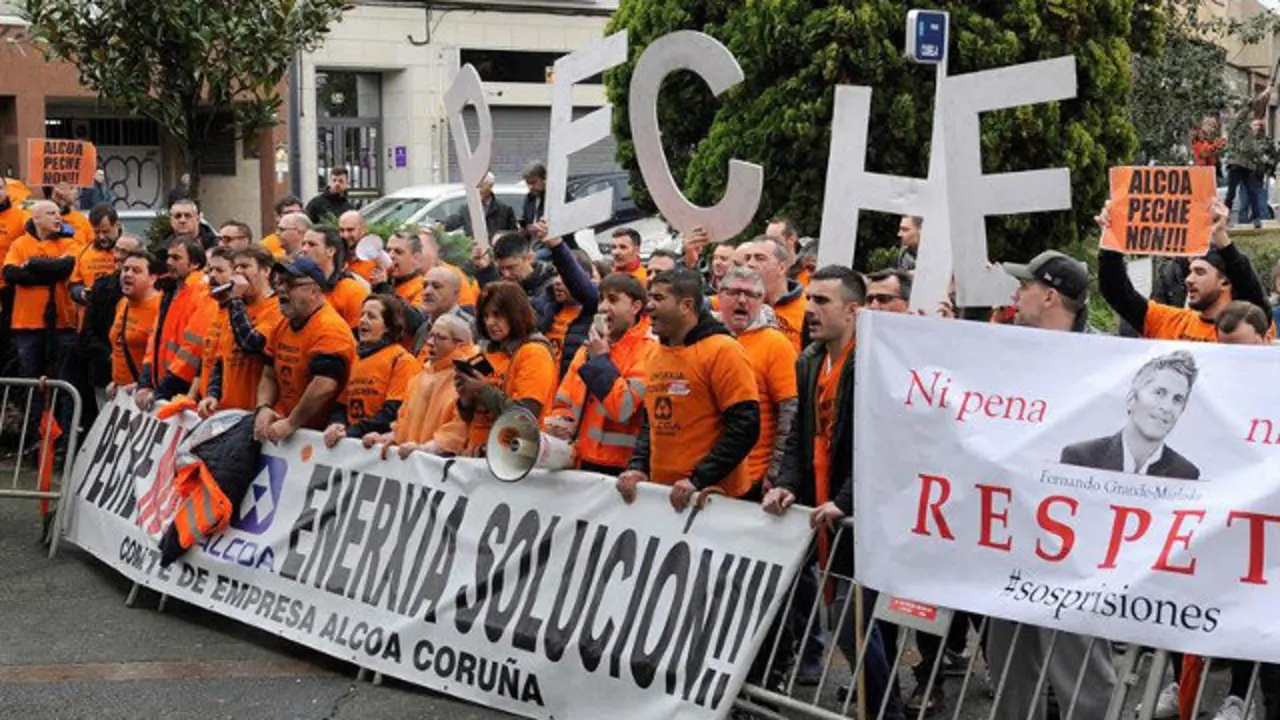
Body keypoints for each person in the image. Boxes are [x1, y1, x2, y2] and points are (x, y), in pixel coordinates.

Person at [966, 252, 1120, 720]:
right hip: (1014, 536)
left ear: (1050, 296)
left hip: (1074, 546)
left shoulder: (1106, 362)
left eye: (1025, 286)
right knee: (1010, 668)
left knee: (1082, 677)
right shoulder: (1010, 350)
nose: (1016, 294)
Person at [761, 265, 902, 720]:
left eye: (822, 301)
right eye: (810, 299)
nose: (810, 310)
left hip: (859, 512)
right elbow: (801, 437)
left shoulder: (874, 364)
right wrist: (787, 484)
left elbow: (881, 444)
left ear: (853, 311)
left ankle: (885, 711)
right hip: (823, 504)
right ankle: (882, 707)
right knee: (850, 621)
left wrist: (845, 502)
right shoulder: (808, 360)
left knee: (850, 621)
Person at [617, 268, 760, 508]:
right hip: (663, 496)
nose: (649, 306)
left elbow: (745, 426)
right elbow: (651, 421)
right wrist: (638, 466)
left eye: (659, 298)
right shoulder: (654, 353)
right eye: (650, 298)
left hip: (713, 501)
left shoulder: (723, 350)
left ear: (686, 306)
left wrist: (698, 479)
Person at [1097, 199, 1270, 342]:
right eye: (1190, 271)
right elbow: (1117, 292)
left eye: (1200, 272)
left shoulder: (1247, 329)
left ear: (1225, 282)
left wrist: (1221, 238)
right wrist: (1111, 240)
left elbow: (1253, 295)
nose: (1189, 279)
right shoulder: (1170, 322)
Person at [544, 272, 655, 475]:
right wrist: (561, 422)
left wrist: (600, 360)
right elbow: (564, 401)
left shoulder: (650, 350)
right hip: (579, 460)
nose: (603, 307)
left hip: (622, 469)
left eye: (613, 299)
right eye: (601, 299)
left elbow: (622, 408)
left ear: (636, 307)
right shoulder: (588, 349)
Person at [254, 256, 357, 442]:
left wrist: (291, 423)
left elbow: (325, 385)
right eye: (280, 282)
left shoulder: (330, 328)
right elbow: (269, 374)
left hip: (323, 439)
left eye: (291, 284)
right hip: (290, 433)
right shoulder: (281, 324)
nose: (281, 289)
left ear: (314, 291)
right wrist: (264, 407)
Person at [3, 199, 82, 443]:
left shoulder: (69, 243)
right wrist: (48, 273)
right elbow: (11, 274)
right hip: (27, 325)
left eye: (58, 212)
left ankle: (64, 440)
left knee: (63, 384)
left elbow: (65, 268)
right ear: (35, 218)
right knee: (31, 384)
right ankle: (32, 438)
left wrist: (33, 265)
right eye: (50, 213)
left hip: (61, 325)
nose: (57, 217)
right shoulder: (20, 244)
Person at [717, 267, 797, 499]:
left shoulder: (776, 344)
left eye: (752, 295)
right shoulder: (705, 337)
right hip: (705, 475)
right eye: (734, 292)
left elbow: (790, 413)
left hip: (752, 479)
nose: (742, 300)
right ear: (720, 295)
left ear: (762, 301)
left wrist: (775, 473)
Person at [1059, 351, 1200, 480]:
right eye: (1159, 393)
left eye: (1177, 400)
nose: (1167, 407)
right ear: (1131, 399)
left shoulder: (1186, 473)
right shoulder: (1080, 458)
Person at [455, 281, 558, 455]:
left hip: (512, 456)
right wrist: (466, 399)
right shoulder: (487, 351)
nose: (490, 322)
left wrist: (482, 389)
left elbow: (525, 416)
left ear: (515, 313)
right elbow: (473, 417)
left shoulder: (535, 352)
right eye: (485, 316)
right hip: (477, 454)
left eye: (497, 315)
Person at [366, 314, 474, 458]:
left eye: (440, 337)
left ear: (460, 345)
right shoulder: (419, 378)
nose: (430, 342)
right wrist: (385, 438)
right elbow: (403, 423)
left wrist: (424, 450)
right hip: (413, 464)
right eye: (430, 336)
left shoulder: (469, 379)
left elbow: (459, 430)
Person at [322, 295, 422, 448]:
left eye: (371, 316)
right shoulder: (357, 359)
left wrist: (351, 432)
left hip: (378, 446)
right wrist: (337, 424)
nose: (363, 320)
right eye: (362, 314)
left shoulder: (402, 360)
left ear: (388, 326)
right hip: (352, 443)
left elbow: (393, 413)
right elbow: (342, 405)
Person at [198, 246, 284, 416]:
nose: (238, 272)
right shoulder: (235, 308)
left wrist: (236, 298)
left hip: (254, 414)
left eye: (245, 266)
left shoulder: (276, 309)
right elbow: (221, 360)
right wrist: (213, 394)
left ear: (266, 271)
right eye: (235, 267)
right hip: (226, 412)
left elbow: (251, 345)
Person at [135, 238, 210, 408]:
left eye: (176, 258)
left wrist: (162, 390)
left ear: (195, 264)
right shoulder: (169, 291)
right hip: (164, 387)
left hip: (181, 391)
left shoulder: (201, 294)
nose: (169, 262)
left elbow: (191, 351)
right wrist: (146, 383)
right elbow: (154, 341)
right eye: (168, 257)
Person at [82, 235, 143, 406]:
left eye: (125, 252)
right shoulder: (101, 288)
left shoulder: (152, 292)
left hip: (139, 379)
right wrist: (110, 356)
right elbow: (87, 333)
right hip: (105, 375)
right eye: (117, 249)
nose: (118, 256)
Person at [105, 251, 161, 398]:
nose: (127, 274)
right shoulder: (123, 303)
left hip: (144, 397)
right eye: (125, 269)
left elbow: (165, 359)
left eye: (136, 271)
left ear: (152, 278)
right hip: (121, 396)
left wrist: (144, 385)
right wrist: (116, 382)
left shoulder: (160, 307)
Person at [740, 235, 807, 353]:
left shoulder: (807, 310)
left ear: (781, 267)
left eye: (760, 258)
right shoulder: (735, 304)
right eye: (747, 258)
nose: (750, 264)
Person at [300, 225, 369, 330]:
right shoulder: (296, 285)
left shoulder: (352, 291)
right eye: (303, 244)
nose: (304, 249)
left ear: (331, 251)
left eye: (312, 244)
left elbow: (359, 335)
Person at [189, 248, 235, 400]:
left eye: (220, 270)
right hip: (206, 403)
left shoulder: (238, 314)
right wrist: (191, 396)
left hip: (226, 405)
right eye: (210, 271)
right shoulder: (213, 309)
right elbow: (205, 358)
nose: (213, 275)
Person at [417, 225, 479, 307]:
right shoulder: (414, 278)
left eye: (420, 248)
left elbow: (468, 306)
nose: (416, 254)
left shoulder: (452, 275)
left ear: (435, 249)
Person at [443, 172, 517, 238]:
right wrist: (440, 226)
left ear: (491, 186)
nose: (478, 190)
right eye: (476, 186)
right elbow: (452, 222)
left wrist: (499, 237)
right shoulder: (466, 209)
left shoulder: (504, 209)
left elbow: (513, 235)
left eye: (481, 186)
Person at [379, 230, 427, 306]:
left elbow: (411, 313)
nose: (390, 255)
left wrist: (384, 287)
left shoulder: (423, 288)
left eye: (398, 252)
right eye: (388, 250)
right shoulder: (383, 278)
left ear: (416, 258)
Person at [765, 217, 813, 287]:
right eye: (766, 239)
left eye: (774, 239)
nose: (769, 244)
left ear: (791, 239)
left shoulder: (810, 272)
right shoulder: (767, 273)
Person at [337, 210, 377, 282]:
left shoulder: (376, 258)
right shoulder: (334, 255)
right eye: (342, 230)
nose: (345, 235)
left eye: (350, 230)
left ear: (363, 230)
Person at [519, 161, 546, 235]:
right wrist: (528, 228)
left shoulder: (555, 198)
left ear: (544, 179)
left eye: (533, 182)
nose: (530, 186)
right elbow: (525, 221)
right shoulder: (529, 198)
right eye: (528, 183)